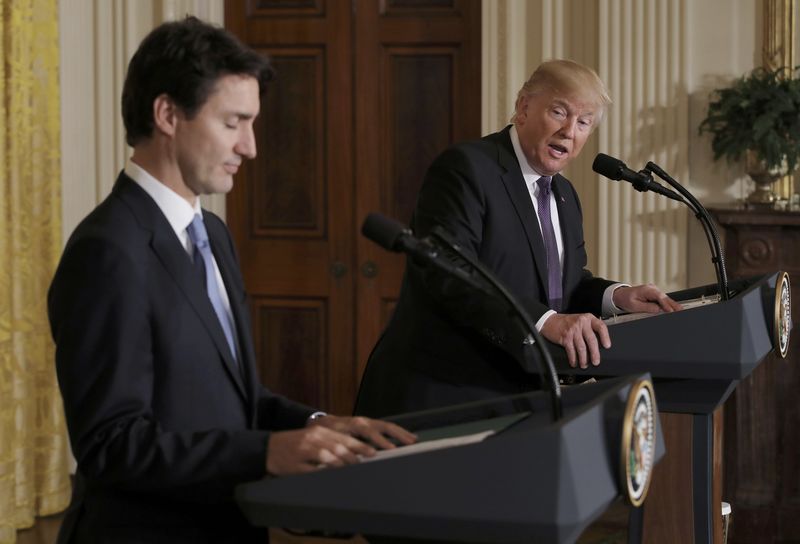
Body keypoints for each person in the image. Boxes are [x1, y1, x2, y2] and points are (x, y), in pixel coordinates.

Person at [48, 17, 414, 544]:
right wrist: (266, 452)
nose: (250, 147)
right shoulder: (106, 250)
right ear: (168, 114)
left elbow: (231, 400)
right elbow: (111, 443)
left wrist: (316, 422)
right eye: (233, 122)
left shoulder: (213, 234)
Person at [355, 59, 682, 418]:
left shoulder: (565, 196)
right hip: (444, 396)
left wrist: (617, 297)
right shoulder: (467, 168)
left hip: (519, 400)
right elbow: (449, 272)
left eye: (584, 122)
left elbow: (564, 286)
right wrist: (545, 321)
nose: (569, 131)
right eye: (560, 112)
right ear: (524, 107)